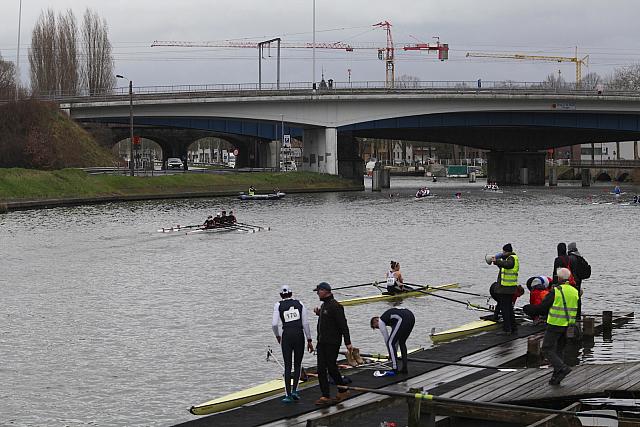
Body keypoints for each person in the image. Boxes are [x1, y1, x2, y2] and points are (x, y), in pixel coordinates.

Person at [523, 268, 579, 385]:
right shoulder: (574, 291)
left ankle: (562, 368)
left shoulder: (556, 291)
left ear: (559, 278)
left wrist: (528, 309)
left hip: (555, 324)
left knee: (547, 349)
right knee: (559, 350)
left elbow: (543, 308)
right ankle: (556, 378)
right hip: (569, 325)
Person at [312, 282, 353, 406]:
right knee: (321, 369)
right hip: (322, 342)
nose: (317, 293)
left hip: (332, 343)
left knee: (331, 368)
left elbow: (343, 325)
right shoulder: (324, 305)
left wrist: (348, 342)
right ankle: (325, 395)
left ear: (326, 291)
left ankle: (343, 390)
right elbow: (327, 320)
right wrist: (319, 314)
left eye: (319, 291)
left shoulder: (335, 306)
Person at [272, 285, 314, 403]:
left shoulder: (278, 305)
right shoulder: (300, 304)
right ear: (291, 293)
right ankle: (295, 390)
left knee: (287, 365)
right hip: (299, 335)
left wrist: (277, 335)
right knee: (297, 364)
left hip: (287, 335)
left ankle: (288, 395)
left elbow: (274, 324)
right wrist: (309, 340)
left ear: (281, 295)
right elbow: (305, 324)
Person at [370, 308, 415, 375]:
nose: (378, 328)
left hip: (403, 318)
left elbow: (387, 339)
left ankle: (395, 368)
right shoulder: (391, 320)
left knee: (390, 343)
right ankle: (404, 368)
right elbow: (395, 341)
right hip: (411, 316)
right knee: (401, 342)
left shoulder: (381, 320)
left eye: (376, 327)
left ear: (376, 320)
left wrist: (391, 354)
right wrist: (393, 352)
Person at [488, 243, 519, 335]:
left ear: (506, 251)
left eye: (503, 251)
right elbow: (504, 268)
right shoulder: (511, 258)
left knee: (505, 309)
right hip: (509, 288)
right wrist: (497, 262)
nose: (502, 253)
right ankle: (513, 327)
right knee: (509, 308)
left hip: (506, 288)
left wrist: (497, 261)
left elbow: (508, 265)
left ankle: (507, 330)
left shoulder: (512, 258)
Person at [567, 242, 591, 317]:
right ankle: (578, 314)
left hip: (573, 280)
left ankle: (574, 315)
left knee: (573, 297)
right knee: (577, 297)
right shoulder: (579, 256)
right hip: (579, 279)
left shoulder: (571, 257)